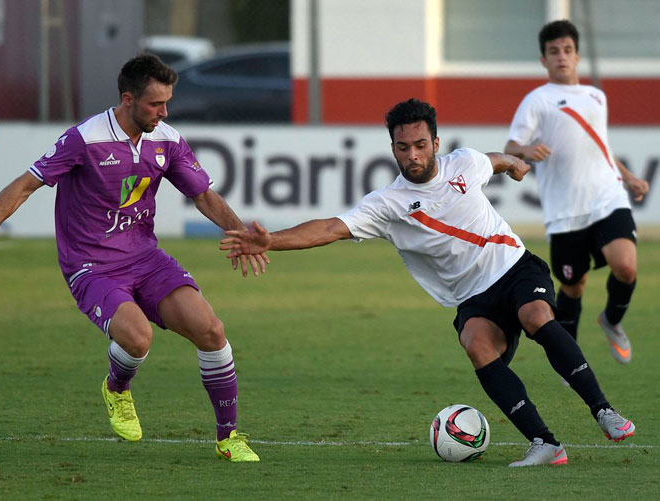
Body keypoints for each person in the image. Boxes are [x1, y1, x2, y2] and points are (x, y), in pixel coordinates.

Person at [221, 98, 635, 467]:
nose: (413, 155)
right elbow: (330, 227)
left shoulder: (465, 163)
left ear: (436, 142)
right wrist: (271, 240)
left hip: (514, 266)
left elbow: (494, 159)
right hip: (472, 296)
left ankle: (603, 411)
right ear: (393, 150)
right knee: (476, 344)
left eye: (421, 145)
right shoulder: (387, 204)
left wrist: (515, 163)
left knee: (536, 315)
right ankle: (545, 443)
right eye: (404, 148)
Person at [0, 54, 266, 462]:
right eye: (155, 104)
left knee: (212, 330)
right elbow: (24, 186)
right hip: (91, 265)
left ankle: (229, 437)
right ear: (128, 99)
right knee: (137, 337)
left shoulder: (166, 138)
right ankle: (117, 387)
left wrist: (240, 232)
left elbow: (202, 194)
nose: (163, 112)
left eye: (167, 103)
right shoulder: (85, 139)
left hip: (145, 258)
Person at [504, 20, 649, 364]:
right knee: (573, 286)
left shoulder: (596, 96)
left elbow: (602, 147)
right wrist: (527, 150)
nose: (561, 57)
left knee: (626, 266)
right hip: (565, 212)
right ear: (543, 60)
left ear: (577, 55)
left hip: (606, 197)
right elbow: (511, 144)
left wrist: (628, 178)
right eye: (554, 52)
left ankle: (611, 321)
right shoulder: (537, 100)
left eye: (567, 50)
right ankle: (569, 358)